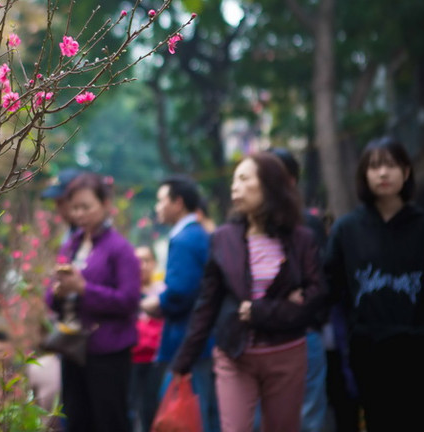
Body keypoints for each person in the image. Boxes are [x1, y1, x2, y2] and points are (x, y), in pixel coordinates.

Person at [171, 153, 326, 432]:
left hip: (286, 352)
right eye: (233, 180)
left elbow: (317, 295)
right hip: (235, 352)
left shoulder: (301, 238)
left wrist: (263, 311)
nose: (235, 187)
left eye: (244, 179)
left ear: (269, 184)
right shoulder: (223, 237)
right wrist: (183, 360)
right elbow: (207, 302)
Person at [325, 137, 424, 432]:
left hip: (418, 354)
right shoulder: (346, 231)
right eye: (374, 167)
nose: (382, 173)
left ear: (406, 172)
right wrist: (355, 331)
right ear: (364, 175)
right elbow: (329, 288)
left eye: (390, 165)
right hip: (370, 354)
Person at [47, 172, 141, 432]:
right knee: (77, 420)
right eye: (75, 207)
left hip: (108, 351)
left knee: (109, 421)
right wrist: (58, 291)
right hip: (73, 348)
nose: (79, 214)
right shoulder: (71, 245)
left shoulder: (120, 249)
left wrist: (84, 289)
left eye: (86, 206)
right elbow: (50, 297)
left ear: (105, 205)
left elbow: (129, 301)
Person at [140, 175, 219, 432]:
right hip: (202, 337)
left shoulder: (184, 239)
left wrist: (156, 303)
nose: (157, 207)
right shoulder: (196, 234)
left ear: (178, 203)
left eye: (161, 200)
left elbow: (180, 292)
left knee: (193, 412)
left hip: (190, 339)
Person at [266, 148, 328, 432]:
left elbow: (322, 282)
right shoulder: (248, 226)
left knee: (309, 418)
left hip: (305, 333)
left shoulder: (309, 225)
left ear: (291, 180)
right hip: (262, 336)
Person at [131, 245, 166, 432]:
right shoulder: (127, 292)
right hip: (130, 359)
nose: (142, 265)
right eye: (137, 261)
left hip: (156, 360)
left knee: (151, 409)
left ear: (154, 263)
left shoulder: (163, 292)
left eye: (146, 260)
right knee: (129, 409)